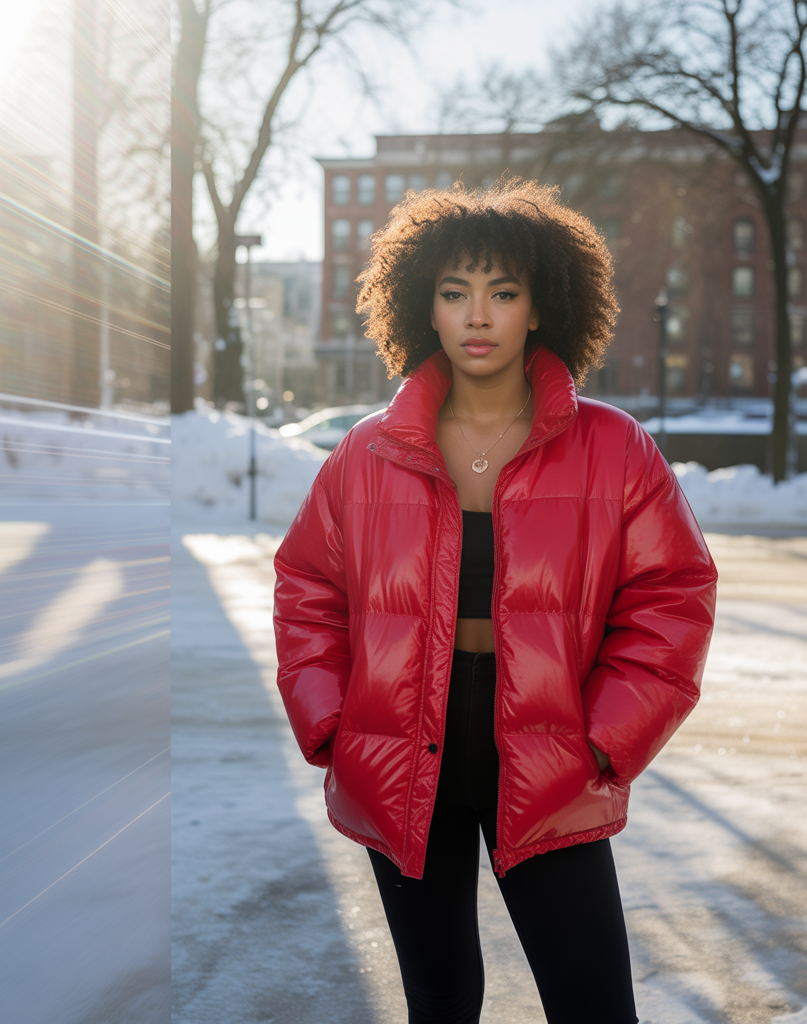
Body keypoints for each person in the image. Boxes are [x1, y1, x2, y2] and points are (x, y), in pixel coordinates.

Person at [273, 178, 717, 1024]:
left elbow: (673, 595)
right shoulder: (366, 454)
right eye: (455, 293)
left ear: (540, 307)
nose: (478, 316)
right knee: (440, 1004)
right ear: (424, 307)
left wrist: (604, 739)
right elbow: (307, 588)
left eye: (503, 293)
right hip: (402, 754)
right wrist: (332, 723)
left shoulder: (614, 447)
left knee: (594, 1007)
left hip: (554, 754)